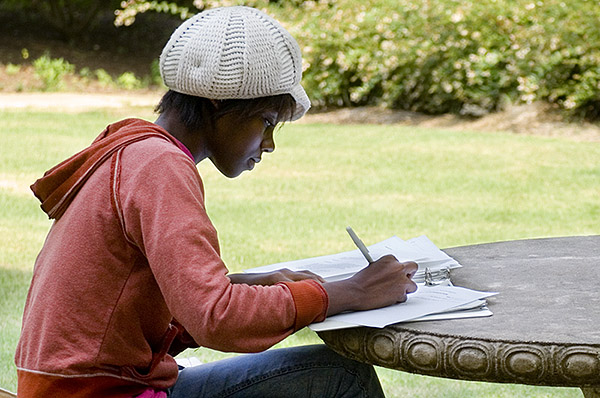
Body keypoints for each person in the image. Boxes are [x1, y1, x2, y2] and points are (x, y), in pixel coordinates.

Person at [15, 6, 418, 398]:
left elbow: (169, 306)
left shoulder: (132, 151)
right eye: (267, 121)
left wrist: (253, 285)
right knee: (341, 376)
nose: (270, 143)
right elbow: (217, 317)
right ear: (217, 103)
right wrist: (352, 292)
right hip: (102, 393)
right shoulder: (160, 165)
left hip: (79, 386)